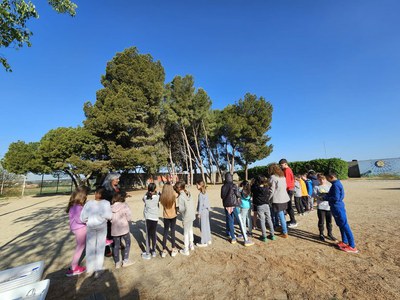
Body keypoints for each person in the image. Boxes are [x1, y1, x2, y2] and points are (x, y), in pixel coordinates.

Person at [80, 187, 112, 278]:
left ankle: (89, 269)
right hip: (101, 226)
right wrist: (102, 217)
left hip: (90, 226)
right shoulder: (106, 203)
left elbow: (82, 217)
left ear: (97, 193)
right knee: (100, 247)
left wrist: (87, 220)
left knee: (90, 247)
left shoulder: (89, 203)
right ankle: (98, 269)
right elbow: (109, 216)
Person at [323, 171, 358, 253]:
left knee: (345, 226)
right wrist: (327, 194)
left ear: (331, 177)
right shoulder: (337, 183)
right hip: (337, 207)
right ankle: (345, 241)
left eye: (327, 178)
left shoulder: (335, 185)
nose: (327, 180)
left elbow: (336, 198)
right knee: (341, 225)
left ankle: (352, 246)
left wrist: (325, 198)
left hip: (337, 207)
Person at [221, 173, 254, 246]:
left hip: (226, 206)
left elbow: (222, 196)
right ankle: (246, 239)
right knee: (240, 222)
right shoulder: (233, 186)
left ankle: (233, 238)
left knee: (230, 221)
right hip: (234, 205)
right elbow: (238, 194)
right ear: (231, 178)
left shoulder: (223, 187)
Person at [65, 188, 88, 277]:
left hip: (76, 229)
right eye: (85, 197)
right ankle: (74, 268)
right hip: (80, 229)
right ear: (81, 197)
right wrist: (88, 219)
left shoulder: (73, 206)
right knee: (80, 248)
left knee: (81, 246)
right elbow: (80, 220)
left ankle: (74, 267)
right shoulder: (78, 207)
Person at [102, 173, 123, 255]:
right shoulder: (105, 189)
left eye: (118, 179)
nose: (118, 180)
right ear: (111, 179)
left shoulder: (118, 187)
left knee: (117, 228)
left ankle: (116, 243)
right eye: (117, 179)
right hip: (108, 211)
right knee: (107, 230)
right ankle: (106, 249)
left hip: (117, 211)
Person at [111, 191, 133, 268]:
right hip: (124, 229)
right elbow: (129, 216)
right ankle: (126, 260)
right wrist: (128, 220)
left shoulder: (111, 207)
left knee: (116, 245)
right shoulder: (125, 206)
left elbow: (109, 218)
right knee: (128, 243)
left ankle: (117, 262)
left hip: (115, 230)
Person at [268, 164, 290, 238]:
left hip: (278, 199)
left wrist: (268, 199)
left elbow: (271, 190)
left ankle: (285, 232)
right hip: (284, 198)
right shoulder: (282, 176)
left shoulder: (273, 177)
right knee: (281, 215)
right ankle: (279, 227)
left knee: (280, 215)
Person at [251, 176, 275, 242]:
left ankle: (264, 236)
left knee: (262, 220)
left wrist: (254, 183)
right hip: (266, 205)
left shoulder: (256, 188)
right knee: (269, 219)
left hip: (259, 206)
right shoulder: (266, 188)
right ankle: (272, 235)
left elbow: (252, 188)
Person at [175, 181, 196, 255]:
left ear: (179, 188)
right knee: (190, 230)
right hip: (191, 215)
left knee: (186, 233)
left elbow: (181, 209)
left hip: (186, 217)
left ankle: (186, 249)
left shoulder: (181, 197)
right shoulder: (189, 193)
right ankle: (191, 245)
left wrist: (177, 209)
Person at [313, 174, 336, 242]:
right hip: (321, 207)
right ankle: (321, 234)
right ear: (318, 180)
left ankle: (329, 234)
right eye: (320, 179)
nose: (322, 181)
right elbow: (313, 195)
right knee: (321, 221)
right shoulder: (316, 187)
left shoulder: (329, 187)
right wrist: (319, 197)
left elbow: (332, 195)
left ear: (326, 179)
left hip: (328, 207)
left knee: (329, 221)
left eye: (323, 179)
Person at [159, 183, 179, 258]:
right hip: (173, 215)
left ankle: (164, 250)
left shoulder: (162, 196)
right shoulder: (174, 194)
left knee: (165, 232)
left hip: (166, 216)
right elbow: (178, 193)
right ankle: (173, 248)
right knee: (172, 231)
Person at [142, 183, 160, 260]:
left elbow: (143, 199)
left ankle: (148, 252)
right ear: (155, 189)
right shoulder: (157, 197)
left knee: (148, 235)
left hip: (148, 218)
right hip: (155, 218)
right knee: (153, 234)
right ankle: (154, 251)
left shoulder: (145, 197)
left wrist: (148, 192)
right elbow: (159, 194)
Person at [278, 159, 298, 227]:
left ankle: (293, 221)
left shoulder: (287, 170)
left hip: (289, 189)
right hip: (290, 189)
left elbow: (287, 182)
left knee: (289, 206)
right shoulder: (287, 170)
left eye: (281, 165)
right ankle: (292, 220)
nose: (281, 167)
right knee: (288, 206)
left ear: (285, 164)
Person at [196, 180, 212, 247]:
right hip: (206, 211)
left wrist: (199, 213)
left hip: (202, 211)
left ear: (200, 185)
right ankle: (208, 239)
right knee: (207, 225)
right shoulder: (205, 193)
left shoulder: (200, 194)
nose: (196, 186)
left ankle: (203, 242)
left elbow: (200, 205)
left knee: (202, 226)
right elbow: (207, 203)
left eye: (197, 185)